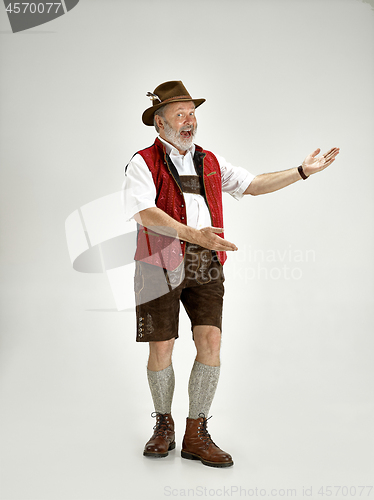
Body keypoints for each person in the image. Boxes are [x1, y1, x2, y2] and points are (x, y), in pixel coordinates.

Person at [122, 80, 339, 468]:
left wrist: (301, 172)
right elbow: (144, 212)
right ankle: (163, 425)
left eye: (193, 114)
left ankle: (195, 431)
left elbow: (253, 184)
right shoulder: (142, 162)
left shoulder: (210, 162)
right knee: (162, 347)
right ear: (159, 123)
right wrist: (191, 234)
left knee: (210, 341)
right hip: (158, 263)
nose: (190, 121)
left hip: (205, 263)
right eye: (180, 114)